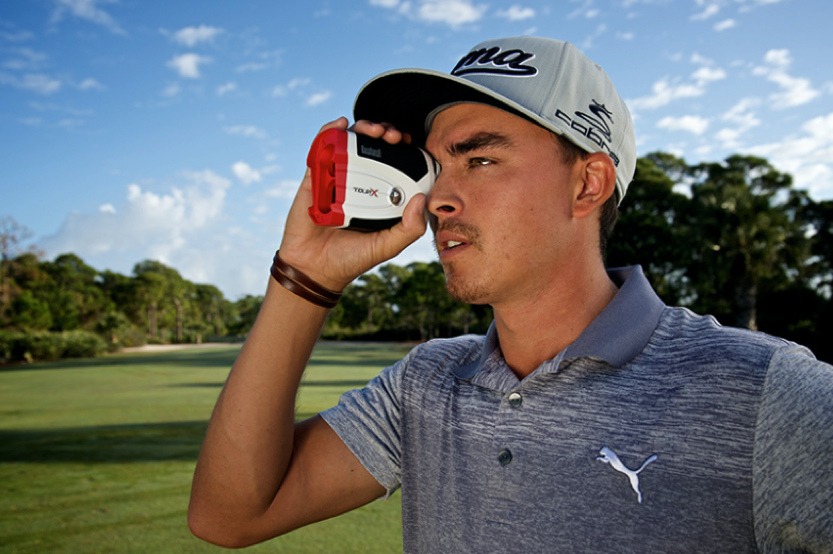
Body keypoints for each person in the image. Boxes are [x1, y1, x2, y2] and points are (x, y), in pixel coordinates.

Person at [188, 36, 833, 552]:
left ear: (587, 184)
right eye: (436, 167)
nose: (437, 200)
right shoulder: (425, 383)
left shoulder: (768, 393)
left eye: (479, 159)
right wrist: (307, 275)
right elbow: (231, 515)